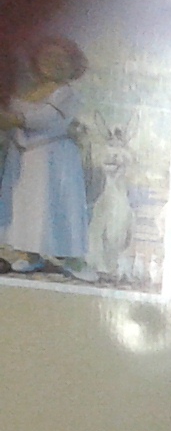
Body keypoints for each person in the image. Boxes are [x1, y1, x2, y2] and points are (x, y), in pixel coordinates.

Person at [0, 36, 92, 274]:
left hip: (54, 159)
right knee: (28, 205)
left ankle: (72, 259)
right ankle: (30, 254)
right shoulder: (29, 92)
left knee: (55, 206)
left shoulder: (66, 94)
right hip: (25, 158)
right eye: (48, 57)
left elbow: (46, 118)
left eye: (63, 58)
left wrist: (15, 119)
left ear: (74, 64)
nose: (55, 63)